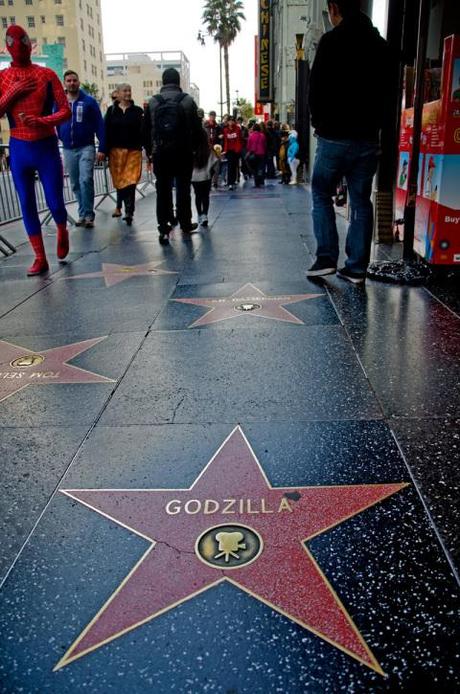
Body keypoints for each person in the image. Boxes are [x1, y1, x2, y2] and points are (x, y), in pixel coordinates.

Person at [306, 0, 390, 284]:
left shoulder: (331, 41)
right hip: (367, 137)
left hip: (334, 135)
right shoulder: (379, 45)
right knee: (361, 201)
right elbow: (389, 93)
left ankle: (326, 259)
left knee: (321, 193)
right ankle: (356, 267)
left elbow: (315, 88)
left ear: (333, 8)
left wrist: (319, 122)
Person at [0, 25, 71, 276]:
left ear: (30, 43)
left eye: (23, 40)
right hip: (19, 146)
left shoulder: (47, 74)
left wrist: (42, 121)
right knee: (26, 202)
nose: (18, 45)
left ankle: (62, 228)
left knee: (54, 200)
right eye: (12, 41)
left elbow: (65, 111)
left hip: (45, 144)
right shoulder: (3, 79)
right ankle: (40, 256)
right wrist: (11, 94)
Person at [144, 67, 202, 244]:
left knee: (163, 190)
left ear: (163, 81)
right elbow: (197, 129)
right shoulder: (187, 101)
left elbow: (145, 130)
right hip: (183, 152)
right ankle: (185, 222)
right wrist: (194, 149)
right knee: (183, 189)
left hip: (160, 152)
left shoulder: (153, 102)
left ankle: (163, 226)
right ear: (178, 82)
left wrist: (150, 152)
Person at [58, 70, 105, 229]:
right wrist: (61, 136)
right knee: (75, 183)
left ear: (78, 82)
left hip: (86, 147)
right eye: (69, 80)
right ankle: (82, 213)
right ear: (65, 83)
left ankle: (89, 215)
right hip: (68, 148)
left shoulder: (89, 102)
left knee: (86, 179)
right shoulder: (60, 102)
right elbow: (55, 120)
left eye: (74, 80)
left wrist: (102, 147)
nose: (72, 83)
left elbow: (99, 124)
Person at [104, 83, 144, 226]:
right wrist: (103, 150)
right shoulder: (111, 111)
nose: (128, 93)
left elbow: (143, 131)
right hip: (115, 151)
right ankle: (121, 207)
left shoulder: (138, 111)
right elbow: (106, 131)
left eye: (129, 90)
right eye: (125, 91)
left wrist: (148, 150)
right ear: (118, 93)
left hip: (133, 151)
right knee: (120, 181)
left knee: (131, 181)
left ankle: (129, 211)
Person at [192, 128, 219, 227]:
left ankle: (199, 214)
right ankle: (205, 215)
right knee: (205, 196)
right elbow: (215, 162)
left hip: (194, 177)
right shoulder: (208, 149)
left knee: (197, 196)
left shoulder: (191, 149)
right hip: (206, 176)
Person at [222, 115, 243, 190]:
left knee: (235, 166)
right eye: (229, 121)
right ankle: (230, 182)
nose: (231, 122)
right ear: (227, 122)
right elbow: (225, 141)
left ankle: (233, 181)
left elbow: (240, 139)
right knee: (230, 166)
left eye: (232, 121)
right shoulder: (225, 130)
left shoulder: (238, 129)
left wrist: (239, 149)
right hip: (229, 151)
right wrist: (224, 151)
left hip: (236, 150)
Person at [246, 123, 267, 188]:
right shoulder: (262, 135)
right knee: (260, 168)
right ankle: (261, 180)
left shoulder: (251, 136)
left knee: (254, 168)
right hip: (261, 153)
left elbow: (248, 146)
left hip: (254, 154)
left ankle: (256, 182)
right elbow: (264, 144)